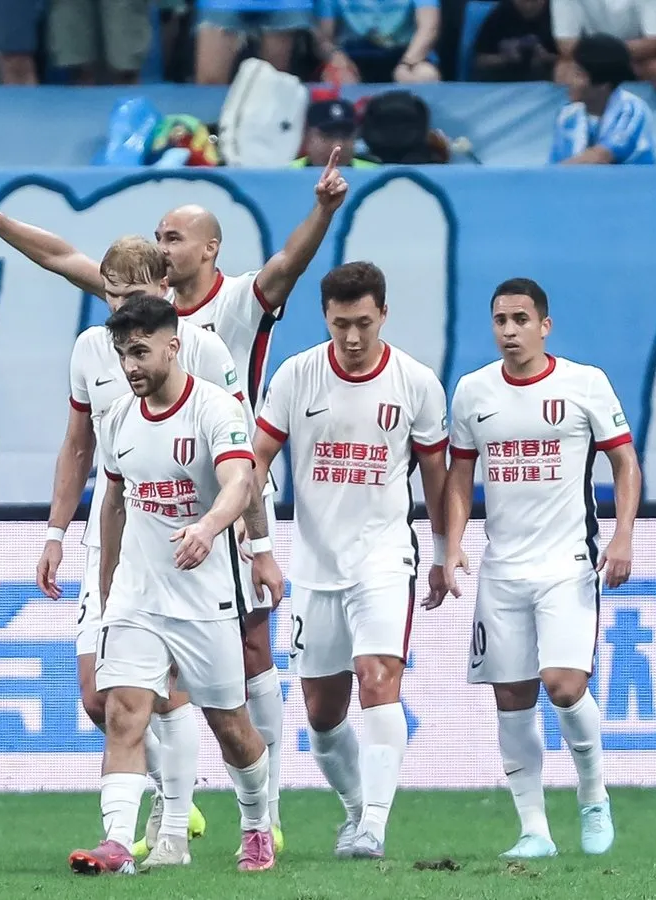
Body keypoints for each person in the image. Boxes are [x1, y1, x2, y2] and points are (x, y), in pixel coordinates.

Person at [0, 152, 348, 853]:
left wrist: (253, 539)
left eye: (174, 237)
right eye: (158, 236)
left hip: (219, 513)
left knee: (239, 682)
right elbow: (56, 257)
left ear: (196, 257)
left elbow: (287, 270)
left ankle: (260, 811)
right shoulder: (112, 338)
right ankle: (161, 820)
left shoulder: (219, 326)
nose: (162, 246)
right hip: (139, 531)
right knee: (114, 699)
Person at [34, 237, 276, 867]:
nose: (130, 365)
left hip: (204, 594)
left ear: (174, 343)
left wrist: (211, 529)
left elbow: (239, 481)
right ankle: (118, 841)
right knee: (122, 711)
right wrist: (111, 585)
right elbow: (113, 502)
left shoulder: (214, 408)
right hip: (139, 594)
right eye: (122, 354)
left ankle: (256, 818)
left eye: (140, 351)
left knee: (232, 728)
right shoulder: (119, 419)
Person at [251, 261, 450, 859]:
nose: (354, 337)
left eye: (364, 322)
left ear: (384, 313)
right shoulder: (296, 376)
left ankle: (375, 828)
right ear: (325, 318)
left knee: (378, 679)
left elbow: (437, 475)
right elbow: (254, 459)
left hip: (385, 556)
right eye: (342, 325)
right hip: (314, 563)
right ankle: (356, 809)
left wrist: (445, 551)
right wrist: (253, 535)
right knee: (321, 716)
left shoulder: (416, 382)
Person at [444, 277, 641, 860]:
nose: (510, 331)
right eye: (501, 320)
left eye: (521, 319)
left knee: (564, 684)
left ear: (544, 325)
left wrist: (624, 535)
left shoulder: (585, 384)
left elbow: (624, 463)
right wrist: (451, 544)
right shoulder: (474, 392)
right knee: (512, 698)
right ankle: (534, 829)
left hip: (567, 563)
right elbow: (458, 474)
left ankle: (593, 796)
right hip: (502, 569)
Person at [549, 33, 656, 165]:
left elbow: (601, 157)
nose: (568, 80)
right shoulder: (567, 115)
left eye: (578, 74)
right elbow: (557, 163)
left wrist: (556, 172)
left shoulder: (631, 109)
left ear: (603, 85)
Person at [290, 99, 380, 168]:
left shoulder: (374, 174)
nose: (338, 145)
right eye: (328, 136)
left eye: (345, 136)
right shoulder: (287, 175)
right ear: (307, 138)